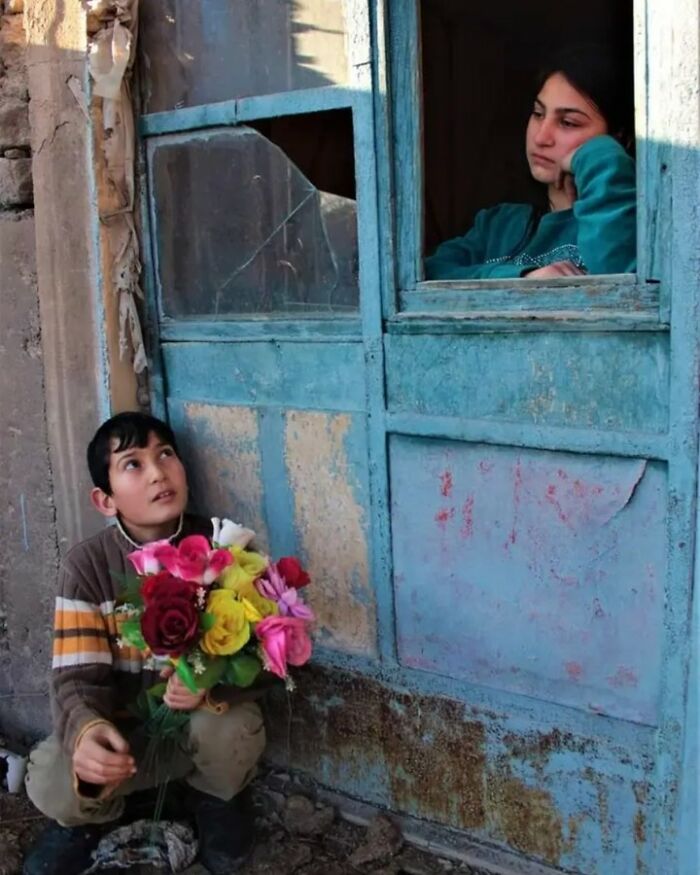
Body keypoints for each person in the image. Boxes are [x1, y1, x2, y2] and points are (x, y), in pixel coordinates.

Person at [23, 412, 266, 875]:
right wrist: (89, 733)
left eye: (166, 455)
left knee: (230, 729)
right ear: (105, 499)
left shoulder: (223, 549)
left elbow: (263, 659)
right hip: (126, 744)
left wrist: (210, 688)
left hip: (193, 735)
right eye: (133, 464)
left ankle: (215, 801)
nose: (158, 472)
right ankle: (93, 819)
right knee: (55, 778)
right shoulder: (87, 567)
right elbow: (75, 678)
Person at [424, 46, 637, 280]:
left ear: (619, 138)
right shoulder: (498, 225)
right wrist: (524, 278)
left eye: (568, 122)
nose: (541, 138)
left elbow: (623, 284)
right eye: (538, 113)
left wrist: (599, 155)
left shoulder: (630, 224)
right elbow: (425, 275)